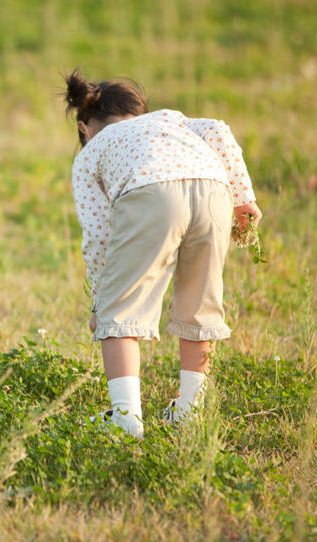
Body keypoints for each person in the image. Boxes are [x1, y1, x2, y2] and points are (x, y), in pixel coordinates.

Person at [64, 69, 262, 439]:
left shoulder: (92, 151)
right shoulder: (170, 119)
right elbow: (219, 128)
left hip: (150, 193)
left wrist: (100, 299)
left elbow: (98, 235)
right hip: (214, 190)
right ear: (139, 113)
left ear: (84, 126)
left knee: (120, 310)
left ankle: (125, 419)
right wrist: (243, 198)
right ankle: (190, 411)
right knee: (199, 302)